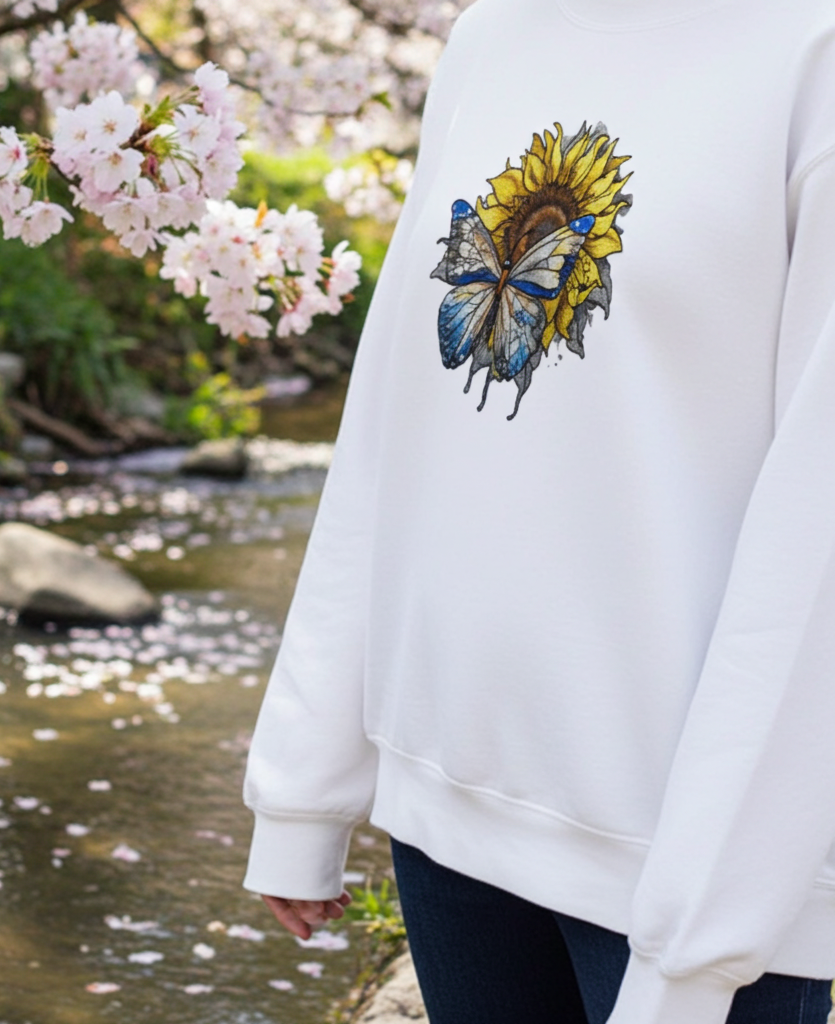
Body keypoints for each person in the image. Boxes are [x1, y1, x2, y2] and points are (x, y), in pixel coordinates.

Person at [241, 0, 835, 1021]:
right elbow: (393, 416)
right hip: (444, 818)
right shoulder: (492, 36)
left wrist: (704, 936)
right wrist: (304, 783)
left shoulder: (810, 52)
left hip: (673, 856)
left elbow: (815, 528)